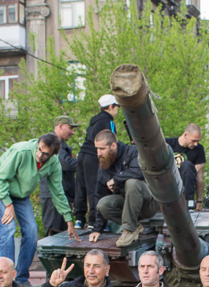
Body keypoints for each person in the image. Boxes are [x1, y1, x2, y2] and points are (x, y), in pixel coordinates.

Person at [0, 134, 80, 287]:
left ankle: (21, 278)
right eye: (39, 150)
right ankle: (6, 280)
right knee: (8, 230)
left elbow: (58, 193)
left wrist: (69, 221)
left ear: (52, 155)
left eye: (45, 154)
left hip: (21, 194)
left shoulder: (53, 164)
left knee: (31, 231)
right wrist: (8, 204)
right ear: (37, 144)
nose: (39, 155)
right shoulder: (21, 151)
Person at [89, 129, 157, 248]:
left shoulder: (132, 151)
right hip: (128, 206)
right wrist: (97, 229)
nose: (98, 153)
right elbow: (99, 194)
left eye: (102, 149)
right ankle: (134, 226)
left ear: (113, 145)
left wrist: (116, 179)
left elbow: (139, 172)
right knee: (102, 205)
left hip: (148, 204)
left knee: (132, 183)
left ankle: (129, 230)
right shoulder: (105, 164)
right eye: (97, 149)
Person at [75, 95, 121, 229]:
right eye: (117, 107)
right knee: (95, 187)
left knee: (81, 186)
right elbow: (112, 143)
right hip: (94, 156)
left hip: (82, 155)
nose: (117, 111)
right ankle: (94, 221)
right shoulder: (109, 122)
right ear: (111, 107)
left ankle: (79, 219)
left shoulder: (93, 122)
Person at [41, 116, 79, 235]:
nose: (72, 132)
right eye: (70, 128)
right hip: (54, 198)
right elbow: (66, 164)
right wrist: (86, 163)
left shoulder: (61, 145)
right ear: (60, 126)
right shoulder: (53, 143)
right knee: (54, 234)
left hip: (60, 197)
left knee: (61, 235)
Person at [165, 124, 207, 207]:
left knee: (187, 165)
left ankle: (187, 203)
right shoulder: (167, 143)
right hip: (168, 181)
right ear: (185, 135)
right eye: (193, 141)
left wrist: (199, 201)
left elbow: (199, 177)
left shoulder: (199, 149)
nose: (196, 144)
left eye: (198, 141)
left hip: (186, 183)